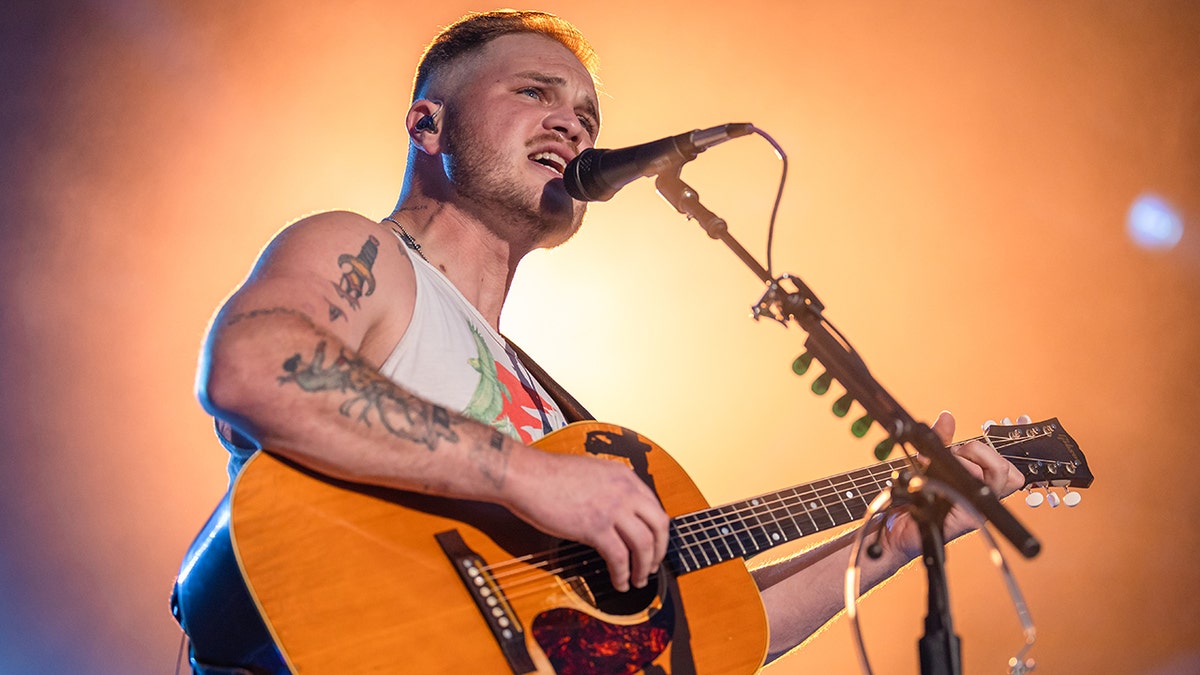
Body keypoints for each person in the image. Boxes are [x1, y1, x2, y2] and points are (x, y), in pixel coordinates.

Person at [172, 9, 1024, 674]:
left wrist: (903, 535)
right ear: (428, 126)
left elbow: (706, 633)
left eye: (586, 113)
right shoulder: (366, 254)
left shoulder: (549, 406)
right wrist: (528, 474)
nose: (574, 127)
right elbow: (254, 368)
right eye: (535, 94)